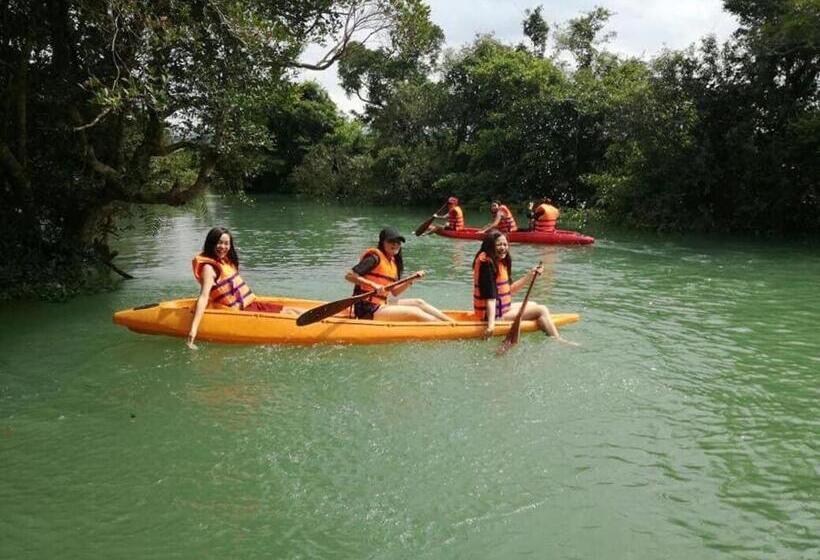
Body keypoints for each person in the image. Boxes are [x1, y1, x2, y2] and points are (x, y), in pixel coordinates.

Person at [187, 227, 297, 349]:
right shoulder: (209, 268)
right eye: (219, 242)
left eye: (226, 243)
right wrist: (193, 329)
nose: (223, 247)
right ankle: (318, 323)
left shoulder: (224, 261)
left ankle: (319, 316)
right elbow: (203, 296)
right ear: (211, 243)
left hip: (249, 304)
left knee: (289, 310)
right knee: (288, 313)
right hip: (240, 313)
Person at [472, 229, 576, 344]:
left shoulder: (499, 261)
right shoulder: (487, 264)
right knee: (542, 310)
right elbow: (490, 298)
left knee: (533, 304)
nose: (503, 247)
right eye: (499, 244)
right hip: (493, 316)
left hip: (500, 310)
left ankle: (545, 327)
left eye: (505, 244)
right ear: (490, 246)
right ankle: (558, 340)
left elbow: (509, 290)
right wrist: (491, 326)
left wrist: (530, 276)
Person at [345, 227, 454, 322]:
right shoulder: (374, 258)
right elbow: (349, 276)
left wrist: (410, 280)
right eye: (391, 241)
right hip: (367, 308)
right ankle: (447, 328)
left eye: (398, 242)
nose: (395, 244)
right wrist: (374, 285)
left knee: (419, 303)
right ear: (382, 242)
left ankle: (452, 322)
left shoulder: (393, 263)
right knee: (415, 312)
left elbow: (395, 292)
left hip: (381, 304)